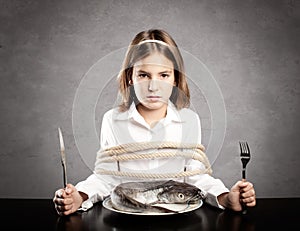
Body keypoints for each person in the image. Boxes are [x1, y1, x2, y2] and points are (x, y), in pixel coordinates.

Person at [53, 29, 256, 216]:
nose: (153, 86)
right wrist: (79, 197)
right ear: (130, 78)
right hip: (127, 219)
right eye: (143, 75)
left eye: (163, 75)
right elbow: (107, 177)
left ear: (175, 79)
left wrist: (226, 198)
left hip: (177, 220)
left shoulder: (189, 120)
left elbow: (195, 177)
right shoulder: (113, 120)